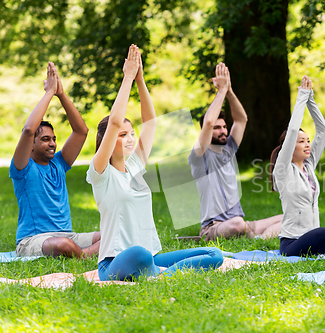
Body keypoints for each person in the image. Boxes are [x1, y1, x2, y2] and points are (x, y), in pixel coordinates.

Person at [87, 45, 223, 281]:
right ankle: (160, 275)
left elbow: (150, 122)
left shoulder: (134, 166)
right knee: (139, 254)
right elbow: (115, 122)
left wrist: (140, 79)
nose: (130, 138)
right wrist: (127, 77)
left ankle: (159, 274)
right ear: (107, 141)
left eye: (131, 134)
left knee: (214, 253)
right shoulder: (101, 173)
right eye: (123, 135)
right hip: (115, 262)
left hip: (149, 257)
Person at [10, 62, 101, 258]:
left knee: (114, 234)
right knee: (64, 245)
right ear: (31, 145)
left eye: (54, 139)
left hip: (69, 236)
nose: (52, 143)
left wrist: (61, 94)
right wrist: (49, 93)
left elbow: (81, 131)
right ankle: (84, 255)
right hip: (33, 240)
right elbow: (28, 130)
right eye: (45, 139)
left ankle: (80, 252)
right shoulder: (22, 168)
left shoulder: (58, 164)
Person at [188, 62, 283, 241]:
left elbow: (241, 120)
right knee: (238, 224)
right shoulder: (199, 156)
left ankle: (257, 238)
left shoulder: (229, 149)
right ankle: (253, 234)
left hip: (238, 222)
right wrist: (221, 91)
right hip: (213, 228)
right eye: (217, 128)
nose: (223, 130)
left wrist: (229, 90)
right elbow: (208, 122)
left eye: (224, 126)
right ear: (206, 132)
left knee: (290, 217)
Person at [270, 75, 325, 257]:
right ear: (289, 146)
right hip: (292, 243)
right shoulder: (283, 169)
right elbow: (293, 130)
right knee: (324, 233)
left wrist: (310, 99)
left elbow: (323, 130)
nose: (307, 145)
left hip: (315, 240)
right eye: (301, 142)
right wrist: (301, 96)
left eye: (308, 141)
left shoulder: (309, 165)